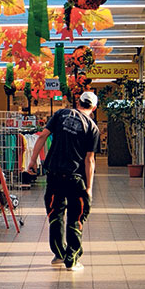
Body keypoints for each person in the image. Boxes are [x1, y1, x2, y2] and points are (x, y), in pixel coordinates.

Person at [26, 91, 99, 272]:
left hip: (54, 175)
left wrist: (32, 160)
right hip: (76, 177)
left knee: (55, 215)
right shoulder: (92, 127)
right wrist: (89, 188)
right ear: (94, 108)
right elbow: (89, 159)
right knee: (76, 217)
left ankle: (59, 254)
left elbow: (42, 136)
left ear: (78, 102)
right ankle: (72, 260)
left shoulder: (60, 114)